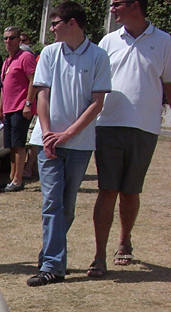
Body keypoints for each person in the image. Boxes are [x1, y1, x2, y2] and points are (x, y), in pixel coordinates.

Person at [26, 1, 110, 287]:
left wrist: (68, 134)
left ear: (72, 23)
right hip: (47, 141)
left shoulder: (98, 55)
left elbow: (97, 103)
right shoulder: (49, 53)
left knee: (67, 206)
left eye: (55, 23)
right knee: (51, 202)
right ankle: (52, 266)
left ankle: (49, 254)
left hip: (80, 143)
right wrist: (48, 133)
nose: (51, 29)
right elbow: (43, 96)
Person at [87, 0, 171, 277]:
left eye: (117, 3)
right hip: (108, 124)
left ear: (135, 5)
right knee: (107, 189)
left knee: (131, 191)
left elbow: (169, 85)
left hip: (145, 127)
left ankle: (124, 241)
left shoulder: (164, 41)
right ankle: (99, 255)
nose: (112, 8)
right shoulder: (108, 41)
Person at [0, 26, 36, 192]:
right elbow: (4, 88)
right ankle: (11, 178)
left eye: (12, 38)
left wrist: (28, 103)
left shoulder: (26, 57)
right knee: (11, 146)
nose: (8, 41)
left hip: (20, 108)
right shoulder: (7, 60)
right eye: (6, 38)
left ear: (19, 40)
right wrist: (1, 110)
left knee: (19, 144)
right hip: (8, 108)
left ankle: (18, 180)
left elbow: (33, 81)